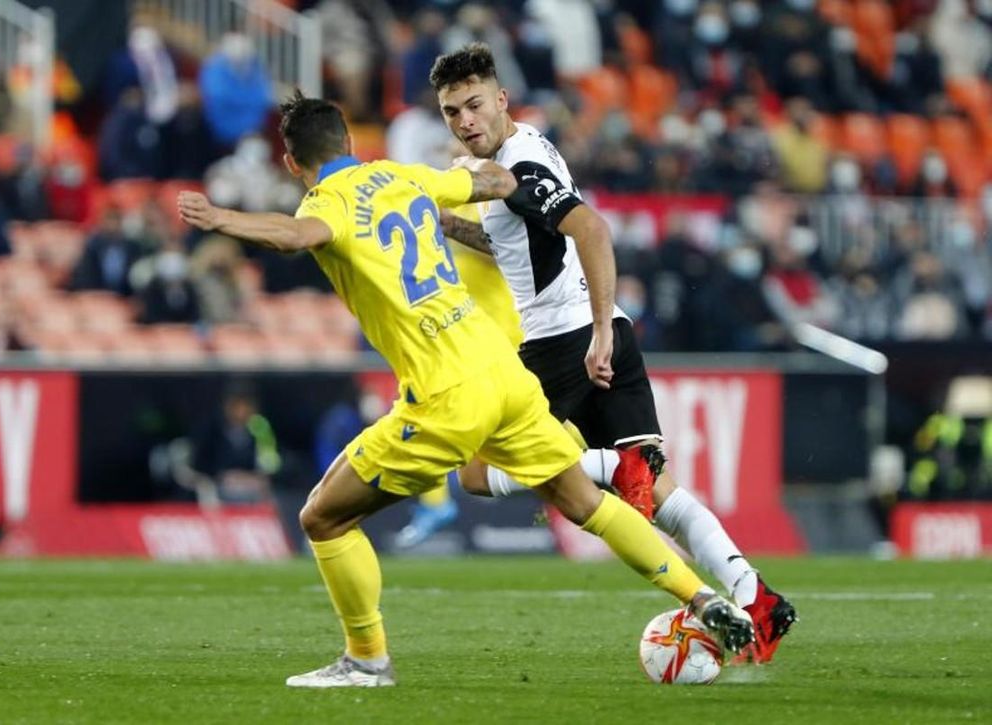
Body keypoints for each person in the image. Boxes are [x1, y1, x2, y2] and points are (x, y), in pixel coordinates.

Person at [178, 91, 753, 687]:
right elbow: (500, 180)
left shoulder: (330, 200)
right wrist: (476, 189)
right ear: (350, 143)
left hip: (445, 392)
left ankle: (367, 659)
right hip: (506, 373)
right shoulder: (402, 176)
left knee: (323, 517)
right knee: (582, 502)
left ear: (293, 164)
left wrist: (224, 219)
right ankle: (702, 596)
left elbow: (296, 236)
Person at [429, 43, 794, 665]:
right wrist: (445, 224)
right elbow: (517, 242)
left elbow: (592, 228)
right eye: (451, 112)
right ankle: (755, 596)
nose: (465, 122)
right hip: (606, 335)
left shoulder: (514, 168)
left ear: (500, 100)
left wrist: (596, 332)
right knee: (661, 494)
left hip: (564, 342)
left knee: (472, 474)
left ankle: (601, 467)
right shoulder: (533, 145)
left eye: (473, 105)